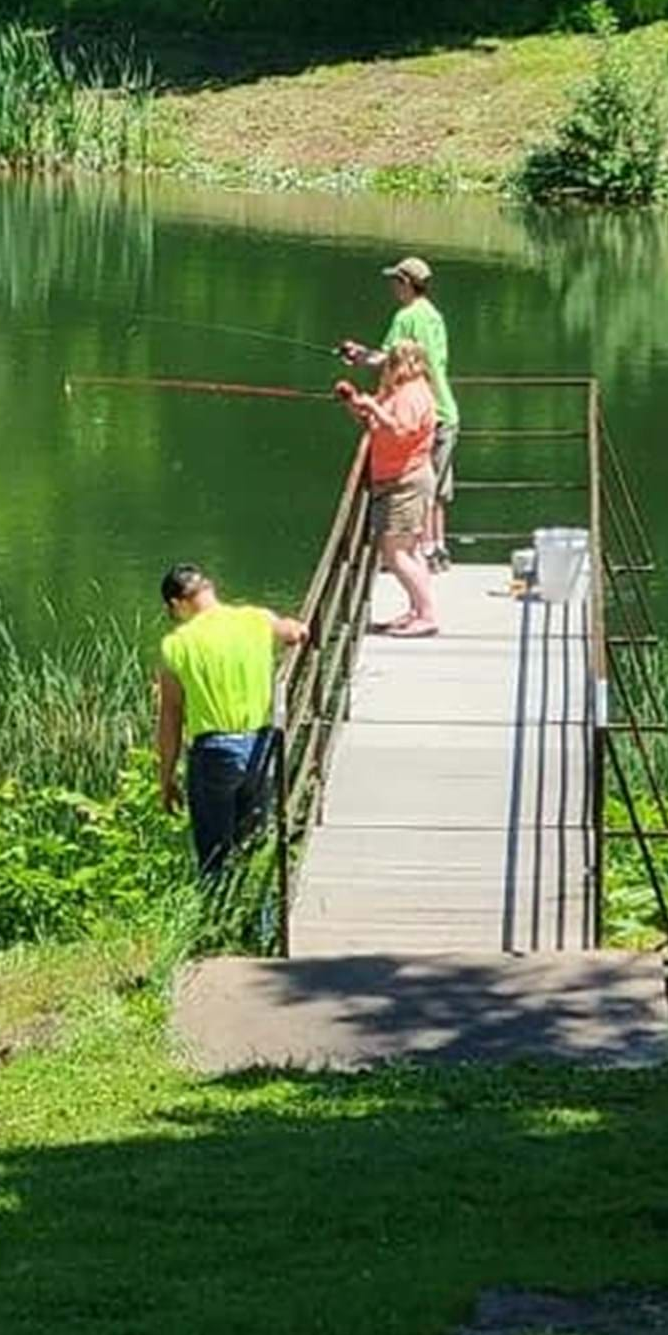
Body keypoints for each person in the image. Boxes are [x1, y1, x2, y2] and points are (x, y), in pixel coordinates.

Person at [156, 565, 308, 880]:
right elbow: (295, 632)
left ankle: (216, 921)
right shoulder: (256, 619)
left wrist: (167, 777)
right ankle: (260, 924)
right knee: (254, 852)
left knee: (214, 857)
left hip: (213, 753)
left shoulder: (177, 644)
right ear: (210, 589)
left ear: (177, 604)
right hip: (260, 746)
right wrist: (293, 626)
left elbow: (171, 717)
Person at [339, 255, 458, 569]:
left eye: (395, 281)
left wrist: (359, 356)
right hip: (446, 409)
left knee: (418, 484)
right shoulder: (435, 315)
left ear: (406, 284)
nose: (392, 287)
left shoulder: (406, 316)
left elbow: (387, 359)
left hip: (420, 412)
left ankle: (420, 555)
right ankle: (438, 550)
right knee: (436, 487)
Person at [335, 337, 440, 636]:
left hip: (406, 481)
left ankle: (428, 615)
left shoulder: (413, 393)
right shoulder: (398, 390)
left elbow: (402, 430)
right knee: (410, 549)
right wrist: (354, 401)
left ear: (404, 363)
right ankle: (417, 610)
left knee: (394, 553)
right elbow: (375, 422)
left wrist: (373, 407)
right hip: (396, 479)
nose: (387, 367)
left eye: (392, 362)